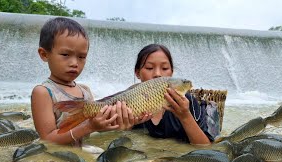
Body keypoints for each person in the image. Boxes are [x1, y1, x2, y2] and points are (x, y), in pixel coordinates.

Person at [31, 17, 148, 147]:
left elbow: (97, 127)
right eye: (65, 55)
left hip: (81, 159)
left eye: (81, 57)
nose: (74, 63)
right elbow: (47, 140)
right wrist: (88, 127)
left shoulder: (85, 91)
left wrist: (128, 120)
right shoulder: (43, 92)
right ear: (44, 54)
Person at [133, 44, 212, 145]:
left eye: (165, 68)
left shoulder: (189, 101)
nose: (157, 74)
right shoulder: (128, 102)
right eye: (149, 68)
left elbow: (205, 147)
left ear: (171, 73)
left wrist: (185, 116)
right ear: (137, 73)